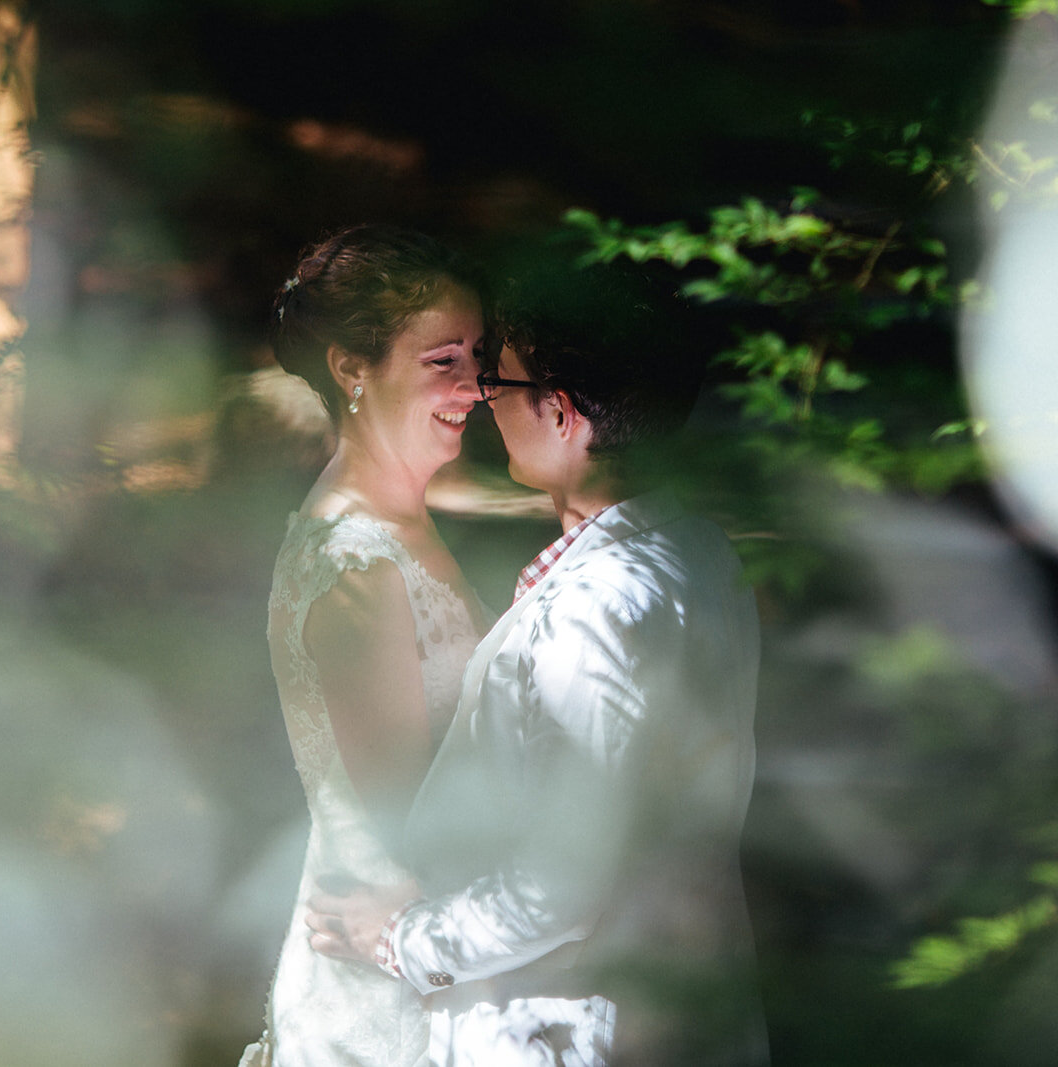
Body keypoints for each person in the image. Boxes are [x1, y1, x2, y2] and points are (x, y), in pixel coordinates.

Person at [306, 262, 767, 1066]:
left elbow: (562, 882)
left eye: (500, 380)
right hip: (676, 997)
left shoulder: (595, 608)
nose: (483, 398)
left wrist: (401, 937)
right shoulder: (696, 551)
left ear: (561, 412)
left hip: (567, 1024)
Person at [240, 225, 490, 1067]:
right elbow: (410, 819)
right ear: (353, 367)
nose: (477, 387)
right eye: (443, 360)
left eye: (478, 356)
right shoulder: (357, 565)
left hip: (424, 943)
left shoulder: (395, 522)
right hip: (383, 984)